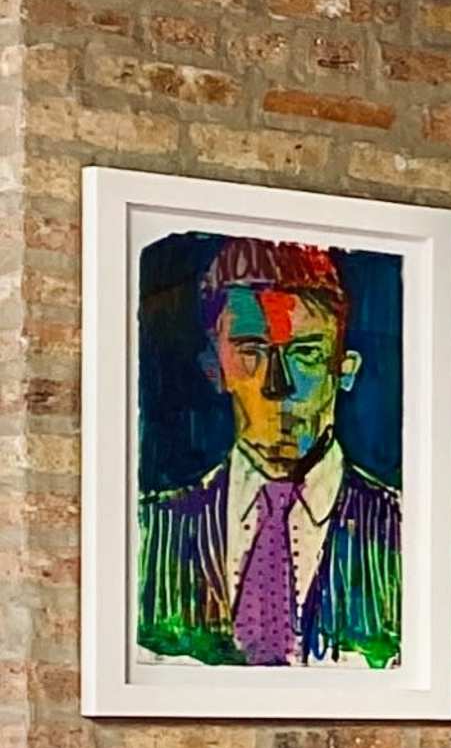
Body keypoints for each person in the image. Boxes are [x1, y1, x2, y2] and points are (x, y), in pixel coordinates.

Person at [135, 237, 403, 673]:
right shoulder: (150, 533)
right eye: (251, 352)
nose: (278, 386)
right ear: (213, 368)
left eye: (306, 354)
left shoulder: (403, 533)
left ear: (345, 368)